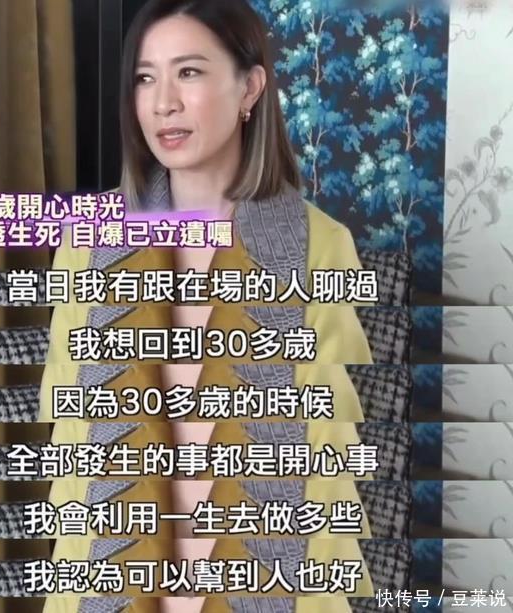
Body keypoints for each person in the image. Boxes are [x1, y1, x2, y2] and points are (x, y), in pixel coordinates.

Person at [40, 1, 376, 611]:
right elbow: (76, 467)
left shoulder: (321, 247)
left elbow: (326, 479)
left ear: (249, 88)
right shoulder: (87, 244)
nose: (162, 102)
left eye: (188, 73)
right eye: (145, 78)